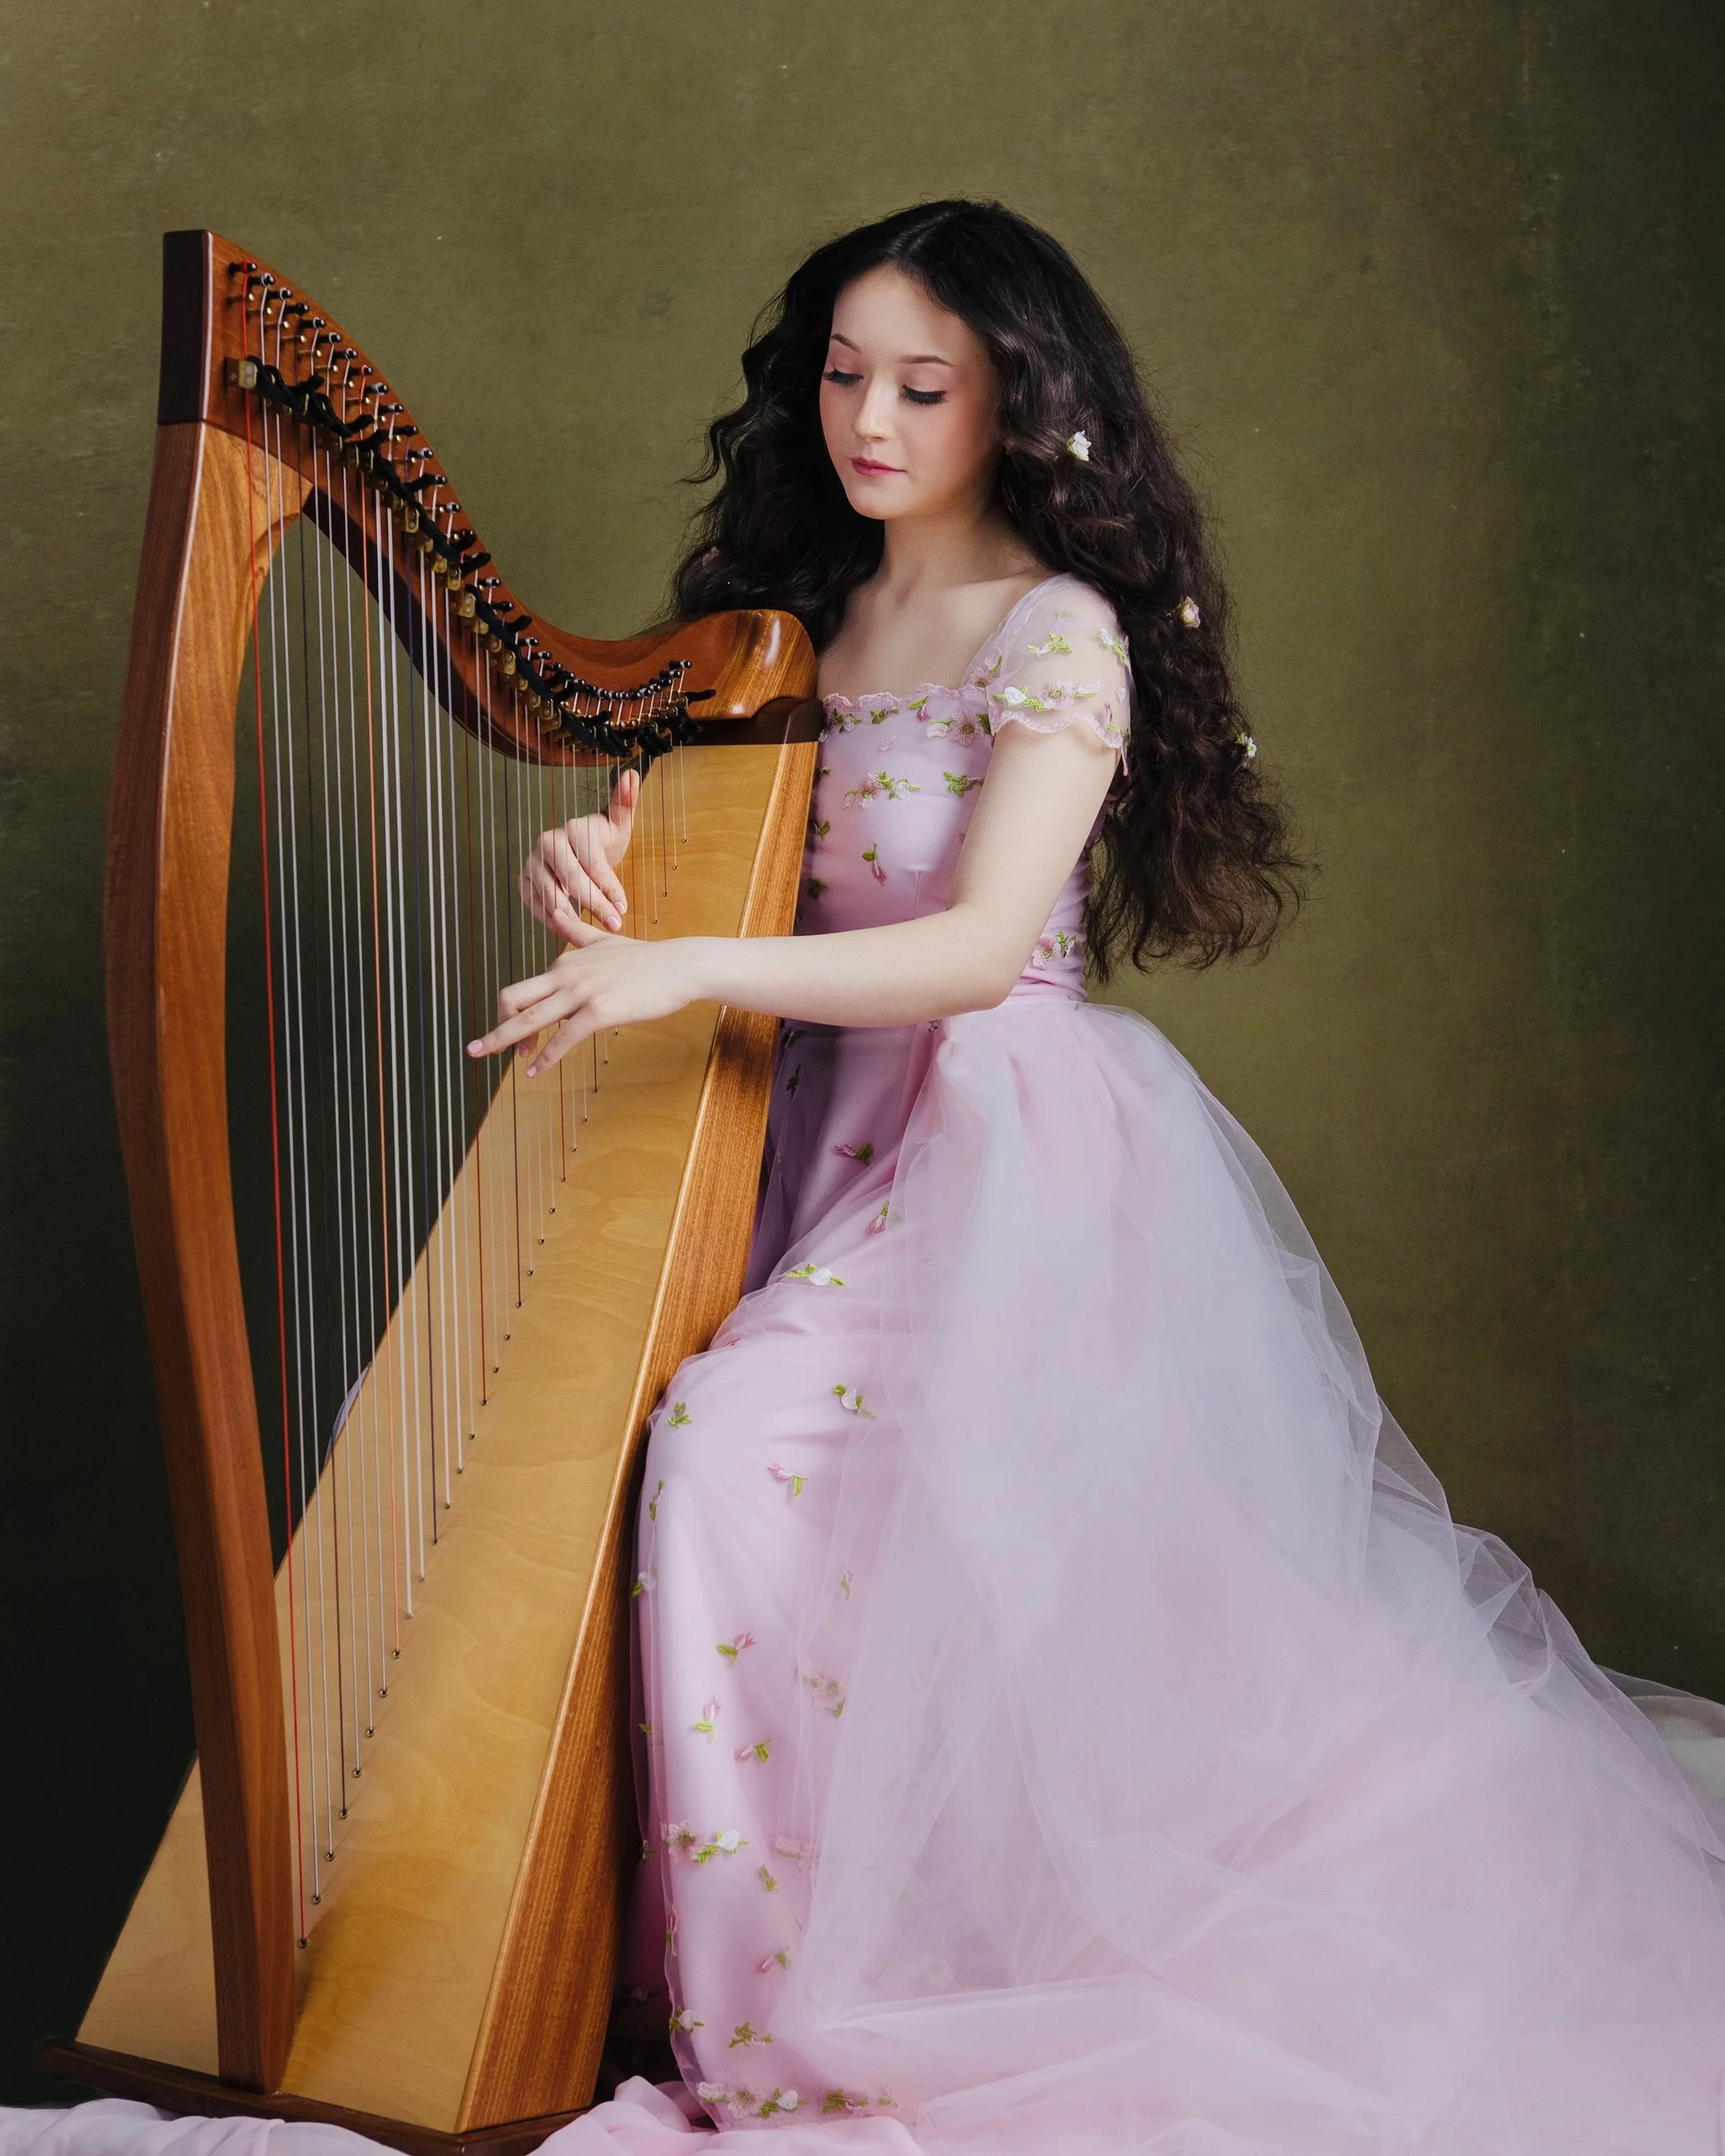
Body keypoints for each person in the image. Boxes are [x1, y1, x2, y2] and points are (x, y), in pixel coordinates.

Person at [460, 201, 1725, 2152]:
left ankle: (780, 2050)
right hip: (794, 1127)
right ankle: (756, 1995)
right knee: (792, 1537)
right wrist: (604, 875)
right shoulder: (790, 622)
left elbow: (973, 950)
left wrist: (690, 963)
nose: (870, 417)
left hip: (989, 1146)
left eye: (924, 384)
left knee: (724, 1459)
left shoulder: (1060, 631)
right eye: (844, 374)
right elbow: (718, 878)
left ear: (1019, 405)